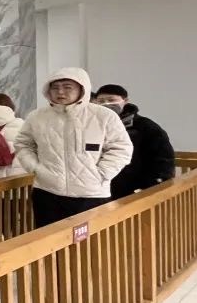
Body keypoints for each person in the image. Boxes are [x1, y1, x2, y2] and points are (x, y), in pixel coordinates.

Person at [16, 68, 133, 227]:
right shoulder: (36, 117)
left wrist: (101, 174)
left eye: (67, 87)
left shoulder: (104, 116)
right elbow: (23, 144)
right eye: (55, 87)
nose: (60, 92)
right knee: (50, 238)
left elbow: (121, 148)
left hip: (92, 194)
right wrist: (35, 168)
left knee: (91, 240)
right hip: (47, 192)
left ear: (82, 89)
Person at [94, 84, 175, 198]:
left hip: (134, 189)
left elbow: (163, 158)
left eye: (111, 100)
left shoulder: (145, 126)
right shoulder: (91, 125)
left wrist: (152, 185)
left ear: (125, 101)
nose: (106, 104)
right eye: (101, 101)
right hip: (99, 188)